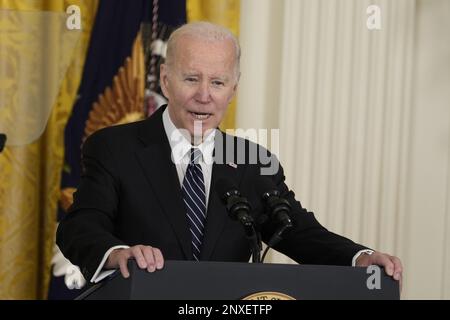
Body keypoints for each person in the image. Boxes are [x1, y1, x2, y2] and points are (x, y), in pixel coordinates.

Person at [56, 22, 403, 287]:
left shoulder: (253, 162)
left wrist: (359, 256)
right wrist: (117, 254)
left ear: (233, 89)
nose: (204, 96)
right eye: (191, 78)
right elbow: (81, 226)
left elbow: (296, 229)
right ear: (165, 80)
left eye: (218, 83)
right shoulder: (114, 148)